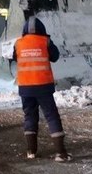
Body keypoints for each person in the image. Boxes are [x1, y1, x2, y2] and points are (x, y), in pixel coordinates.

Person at [13, 10, 71, 162]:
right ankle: (60, 153)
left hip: (25, 87)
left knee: (30, 116)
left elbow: (14, 57)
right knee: (51, 116)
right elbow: (55, 56)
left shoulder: (18, 43)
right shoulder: (45, 42)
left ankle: (31, 151)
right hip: (43, 86)